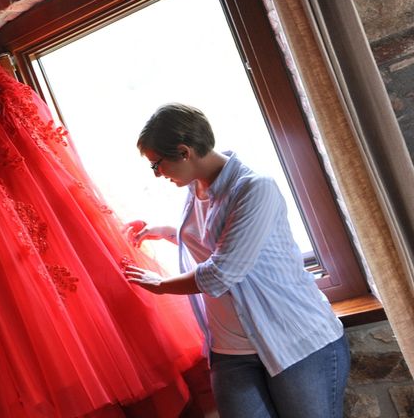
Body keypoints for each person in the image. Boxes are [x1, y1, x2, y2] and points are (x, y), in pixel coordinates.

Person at [124, 103, 350, 418]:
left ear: (184, 151)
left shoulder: (255, 188)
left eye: (156, 163)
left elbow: (221, 273)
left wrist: (160, 286)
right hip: (230, 351)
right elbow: (216, 239)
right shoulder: (194, 189)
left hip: (298, 340)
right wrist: (166, 231)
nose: (157, 173)